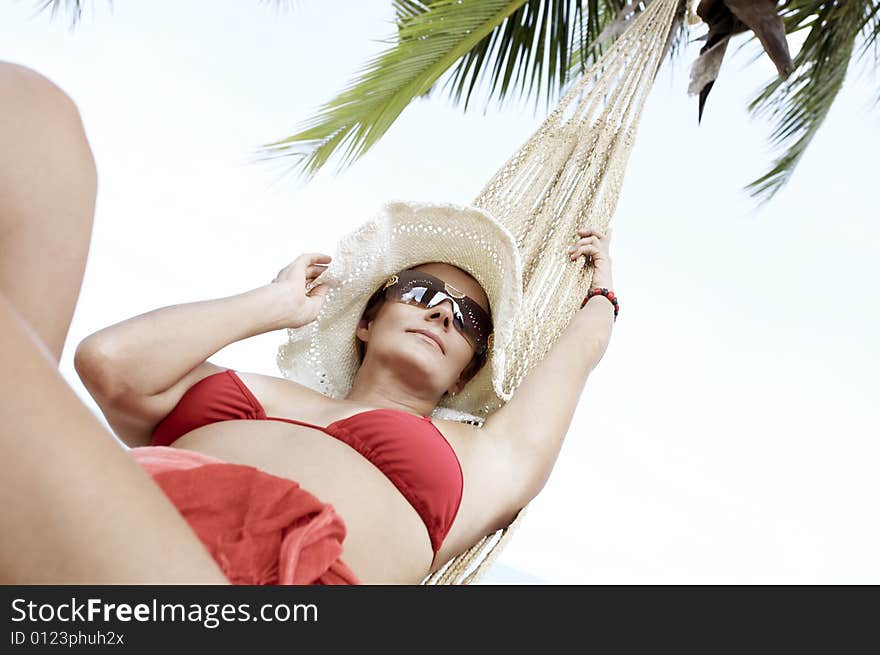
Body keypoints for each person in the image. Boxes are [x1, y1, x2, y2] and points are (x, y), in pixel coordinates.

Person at [0, 61, 617, 585]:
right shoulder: (245, 386)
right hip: (114, 529)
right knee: (31, 114)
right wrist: (274, 305)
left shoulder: (484, 457)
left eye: (468, 320)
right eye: (422, 290)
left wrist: (600, 293)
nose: (440, 311)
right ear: (366, 322)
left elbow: (582, 349)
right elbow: (110, 362)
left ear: (462, 379)